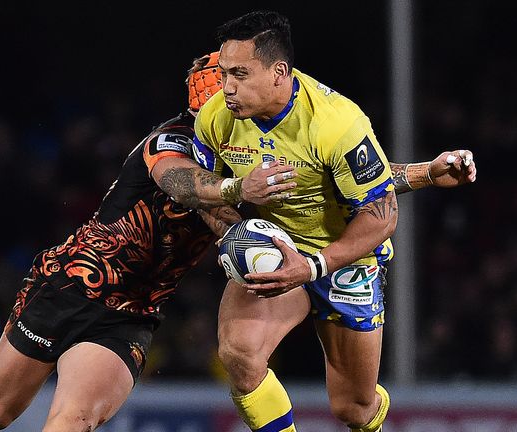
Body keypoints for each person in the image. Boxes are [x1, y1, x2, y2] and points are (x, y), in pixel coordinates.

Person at [0, 49, 476, 431]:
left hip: (134, 311)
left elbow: (335, 179)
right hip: (71, 284)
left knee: (74, 420)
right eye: (217, 85)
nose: (225, 94)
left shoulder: (251, 151)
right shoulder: (175, 139)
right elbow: (181, 183)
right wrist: (234, 193)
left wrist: (425, 174)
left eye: (232, 83)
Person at [190, 11, 477, 432]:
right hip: (279, 245)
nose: (226, 86)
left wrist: (312, 266)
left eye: (239, 74)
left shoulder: (337, 122)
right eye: (223, 73)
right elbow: (207, 191)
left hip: (346, 258)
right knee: (239, 353)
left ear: (278, 73)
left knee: (352, 409)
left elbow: (380, 215)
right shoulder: (215, 117)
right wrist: (233, 233)